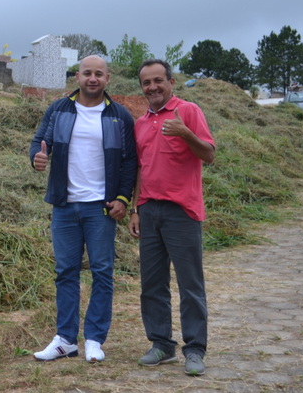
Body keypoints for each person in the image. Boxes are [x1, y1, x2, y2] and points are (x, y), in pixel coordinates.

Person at [29, 55, 137, 363]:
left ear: (107, 79)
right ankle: (65, 339)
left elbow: (130, 161)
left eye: (98, 74)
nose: (92, 78)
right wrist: (37, 157)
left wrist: (123, 198)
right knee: (66, 272)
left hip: (100, 208)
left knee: (102, 272)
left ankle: (94, 339)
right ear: (77, 77)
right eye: (87, 73)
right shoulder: (59, 109)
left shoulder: (119, 116)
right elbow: (39, 142)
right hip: (64, 205)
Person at [127, 59, 216, 377]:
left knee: (190, 284)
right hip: (149, 211)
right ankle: (162, 344)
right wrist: (135, 209)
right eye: (146, 82)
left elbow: (209, 154)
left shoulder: (188, 111)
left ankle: (195, 349)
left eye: (158, 81)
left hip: (183, 211)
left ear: (171, 82)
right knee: (152, 283)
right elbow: (140, 168)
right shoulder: (140, 123)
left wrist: (185, 133)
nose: (152, 87)